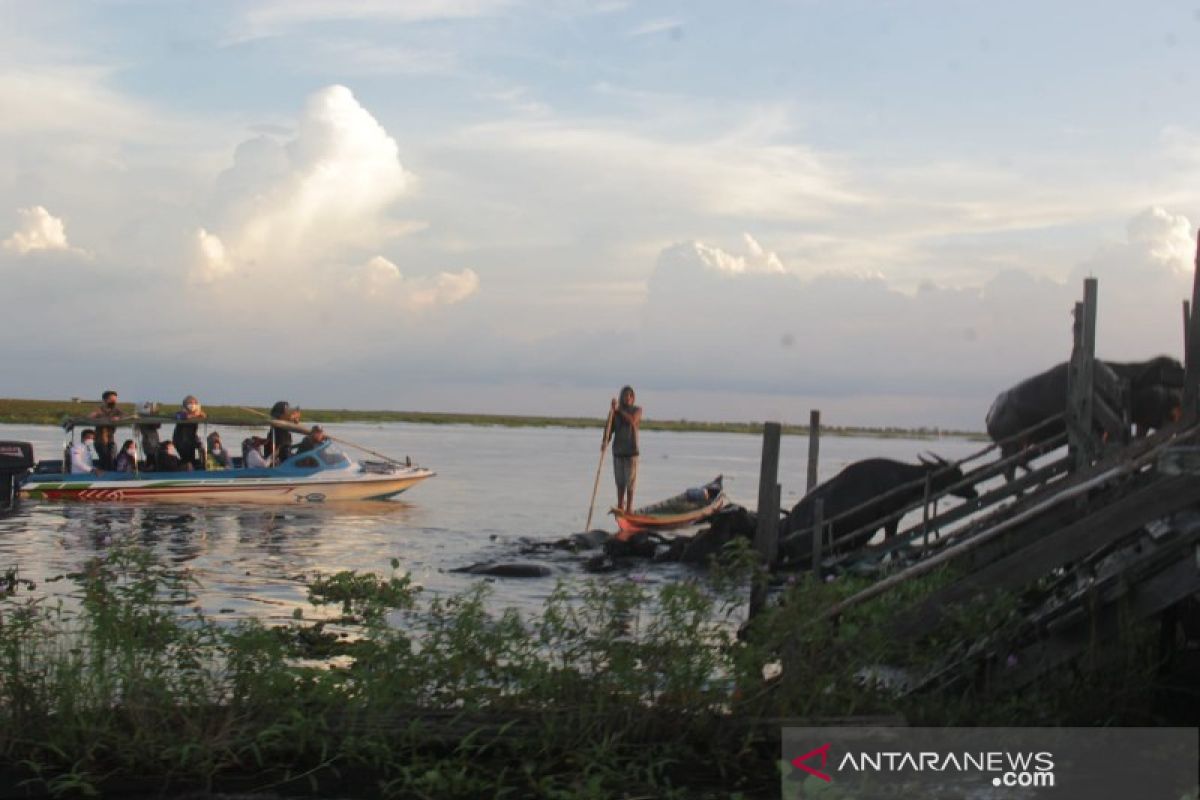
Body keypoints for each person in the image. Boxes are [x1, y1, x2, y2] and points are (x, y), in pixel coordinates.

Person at [605, 385, 642, 514]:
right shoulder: (616, 413)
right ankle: (620, 506)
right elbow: (609, 430)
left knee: (629, 483)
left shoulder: (637, 410)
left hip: (631, 453)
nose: (627, 398)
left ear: (633, 398)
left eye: (630, 396)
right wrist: (605, 442)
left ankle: (628, 509)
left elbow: (632, 421)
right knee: (619, 482)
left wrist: (619, 410)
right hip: (618, 453)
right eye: (625, 395)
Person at [89, 390, 123, 468]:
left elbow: (126, 416)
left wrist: (119, 418)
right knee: (104, 459)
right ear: (105, 400)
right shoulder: (99, 409)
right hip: (99, 440)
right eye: (112, 399)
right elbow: (89, 417)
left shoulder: (116, 410)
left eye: (115, 400)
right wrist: (94, 415)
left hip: (110, 440)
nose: (114, 401)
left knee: (112, 459)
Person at [171, 395, 206, 470]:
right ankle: (186, 469)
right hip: (181, 441)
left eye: (194, 403)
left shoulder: (198, 413)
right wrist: (194, 415)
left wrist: (199, 413)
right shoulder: (180, 413)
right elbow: (179, 416)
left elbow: (204, 416)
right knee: (187, 458)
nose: (192, 405)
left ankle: (199, 466)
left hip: (191, 439)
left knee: (199, 451)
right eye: (190, 403)